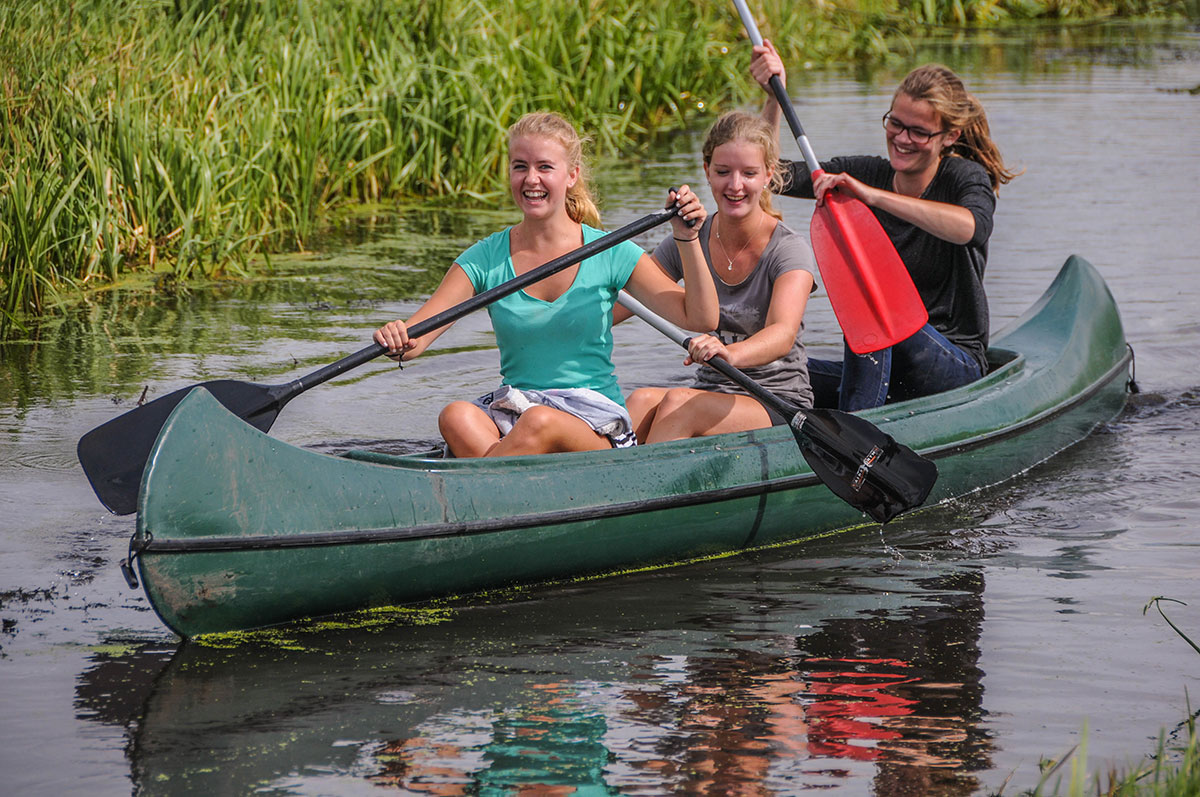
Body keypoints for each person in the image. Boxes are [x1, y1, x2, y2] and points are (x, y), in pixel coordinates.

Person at [373, 111, 718, 458]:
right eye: (519, 166)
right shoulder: (485, 257)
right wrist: (396, 336)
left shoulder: (611, 251)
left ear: (572, 176)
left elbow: (700, 317)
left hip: (593, 423)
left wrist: (687, 239)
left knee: (540, 422)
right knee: (456, 416)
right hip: (517, 410)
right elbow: (415, 340)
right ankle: (507, 490)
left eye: (544, 167)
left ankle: (483, 492)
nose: (530, 179)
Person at [751, 42, 1020, 411]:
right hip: (884, 361)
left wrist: (873, 198)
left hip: (954, 364)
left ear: (949, 137)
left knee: (870, 310)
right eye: (895, 123)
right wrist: (773, 99)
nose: (902, 138)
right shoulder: (866, 172)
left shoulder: (963, 177)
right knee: (769, 371)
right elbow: (767, 175)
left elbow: (971, 228)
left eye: (919, 132)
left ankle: (856, 434)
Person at [616, 111, 818, 444]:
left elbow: (782, 332)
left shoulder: (789, 249)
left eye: (749, 173)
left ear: (768, 174)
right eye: (723, 172)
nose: (735, 185)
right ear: (707, 171)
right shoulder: (689, 237)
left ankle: (638, 493)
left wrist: (731, 355)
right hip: (712, 390)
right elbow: (628, 302)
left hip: (777, 401)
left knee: (679, 404)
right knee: (639, 401)